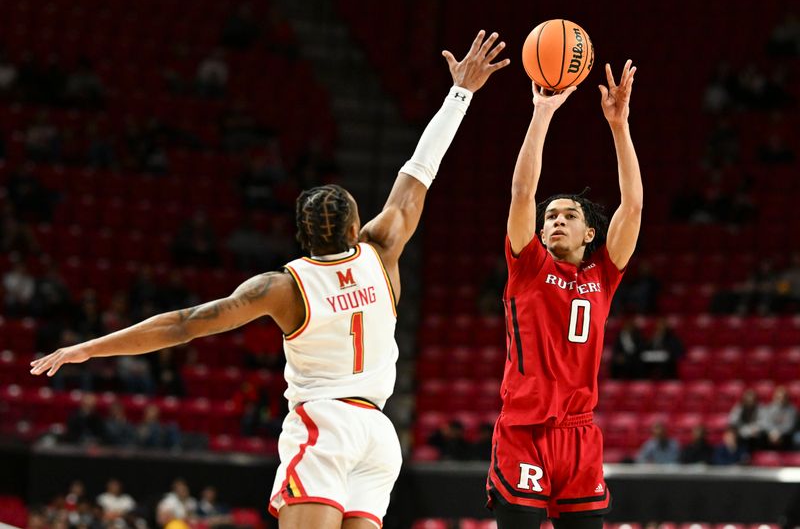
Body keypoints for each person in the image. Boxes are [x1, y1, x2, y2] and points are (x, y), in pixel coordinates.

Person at [31, 30, 510, 529]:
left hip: (325, 425)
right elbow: (419, 171)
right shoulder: (382, 249)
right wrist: (461, 93)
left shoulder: (282, 287)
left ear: (301, 236)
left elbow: (184, 324)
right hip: (378, 434)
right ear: (353, 226)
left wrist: (88, 348)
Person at [487, 60, 642, 529]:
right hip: (525, 430)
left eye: (568, 215)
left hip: (579, 434)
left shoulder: (604, 273)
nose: (554, 220)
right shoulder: (529, 265)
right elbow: (520, 192)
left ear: (590, 232)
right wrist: (542, 112)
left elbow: (632, 204)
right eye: (549, 215)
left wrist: (619, 126)